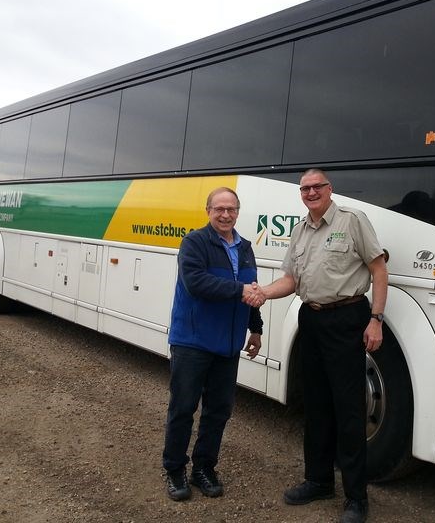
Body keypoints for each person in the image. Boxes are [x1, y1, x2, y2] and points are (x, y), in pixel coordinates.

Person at [255, 168, 388, 523]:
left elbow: (378, 270)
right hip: (310, 319)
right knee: (314, 405)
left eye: (317, 187)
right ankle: (318, 480)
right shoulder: (300, 231)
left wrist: (376, 318)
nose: (311, 192)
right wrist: (263, 294)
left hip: (347, 318)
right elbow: (290, 280)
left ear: (330, 189)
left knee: (349, 410)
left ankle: (356, 498)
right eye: (305, 188)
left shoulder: (352, 220)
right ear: (301, 194)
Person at [162, 187, 264, 501]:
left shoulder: (245, 247)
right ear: (208, 211)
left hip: (228, 344)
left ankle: (204, 468)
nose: (225, 215)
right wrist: (241, 290)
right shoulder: (194, 242)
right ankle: (175, 469)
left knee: (218, 411)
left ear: (237, 211)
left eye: (231, 209)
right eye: (219, 209)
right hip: (193, 341)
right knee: (183, 407)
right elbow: (196, 283)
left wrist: (255, 329)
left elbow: (253, 290)